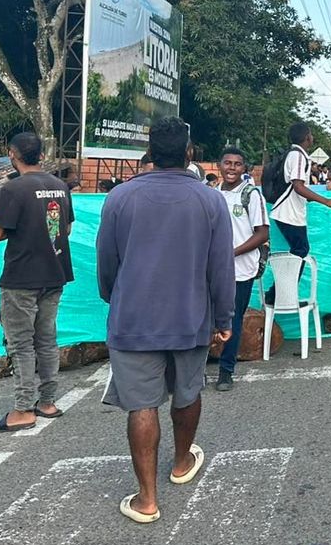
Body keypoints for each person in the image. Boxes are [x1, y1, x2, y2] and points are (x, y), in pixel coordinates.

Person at [95, 118, 235, 524]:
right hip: (192, 317)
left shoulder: (120, 198)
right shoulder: (210, 200)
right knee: (188, 392)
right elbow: (220, 267)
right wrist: (223, 317)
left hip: (133, 317)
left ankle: (147, 498)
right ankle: (180, 461)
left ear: (151, 153)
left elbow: (107, 262)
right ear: (190, 153)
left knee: (141, 405)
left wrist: (115, 298)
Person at [0, 132, 74, 433]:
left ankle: (24, 408)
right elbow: (64, 228)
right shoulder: (60, 185)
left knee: (21, 344)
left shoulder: (13, 189)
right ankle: (48, 401)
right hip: (54, 273)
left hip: (21, 277)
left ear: (12, 154)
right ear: (40, 154)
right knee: (47, 339)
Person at [214, 147, 270, 392]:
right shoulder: (212, 195)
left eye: (237, 164)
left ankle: (226, 371)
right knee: (205, 319)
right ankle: (195, 370)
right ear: (220, 165)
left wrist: (232, 253)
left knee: (233, 319)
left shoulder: (251, 195)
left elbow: (262, 233)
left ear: (244, 168)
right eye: (228, 163)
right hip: (213, 269)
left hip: (241, 269)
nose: (232, 168)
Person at [266, 122, 331, 304]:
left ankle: (280, 293)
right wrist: (326, 201)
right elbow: (298, 186)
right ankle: (280, 294)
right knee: (300, 250)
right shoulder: (298, 156)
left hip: (288, 212)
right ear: (307, 137)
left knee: (299, 251)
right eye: (311, 134)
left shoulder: (293, 154)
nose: (312, 137)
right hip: (288, 212)